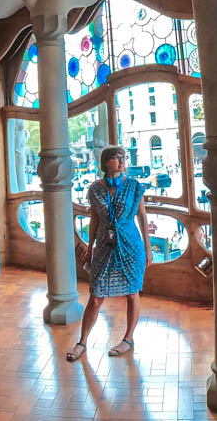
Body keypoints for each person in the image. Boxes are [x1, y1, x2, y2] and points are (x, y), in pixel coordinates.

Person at [67, 146, 152, 362]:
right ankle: (82, 342)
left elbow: (142, 218)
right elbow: (94, 221)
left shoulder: (134, 187)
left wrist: (148, 248)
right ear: (106, 163)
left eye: (123, 158)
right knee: (96, 296)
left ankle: (128, 338)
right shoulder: (95, 189)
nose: (122, 162)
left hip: (131, 246)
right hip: (105, 246)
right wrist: (89, 248)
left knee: (132, 293)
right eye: (117, 158)